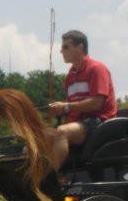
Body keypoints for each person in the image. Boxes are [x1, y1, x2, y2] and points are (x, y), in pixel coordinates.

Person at [48, 30, 117, 170]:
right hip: (78, 123)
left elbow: (97, 103)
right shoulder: (70, 76)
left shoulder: (97, 69)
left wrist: (66, 107)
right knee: (37, 136)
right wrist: (60, 110)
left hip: (98, 121)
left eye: (66, 47)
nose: (61, 51)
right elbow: (73, 108)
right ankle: (31, 179)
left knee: (61, 132)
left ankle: (48, 179)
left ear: (80, 47)